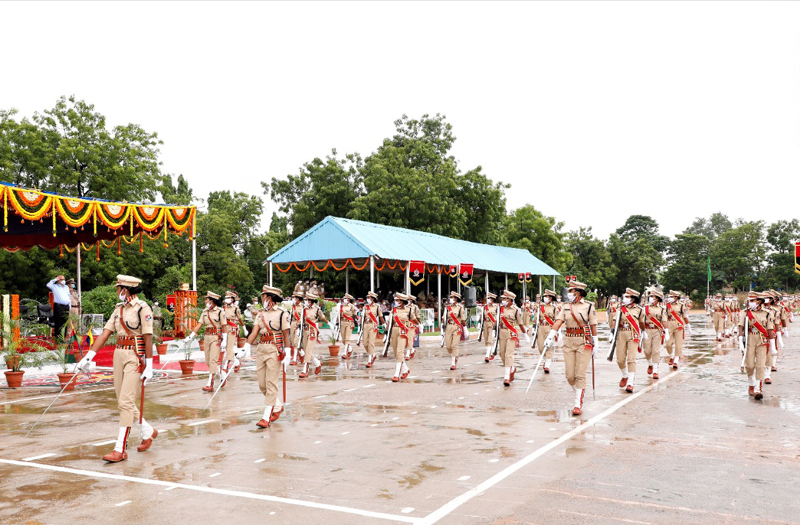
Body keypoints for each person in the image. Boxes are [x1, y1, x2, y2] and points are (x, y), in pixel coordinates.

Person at [75, 275, 155, 462]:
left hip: (135, 357)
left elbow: (148, 337)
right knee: (123, 401)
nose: (117, 292)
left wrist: (149, 365)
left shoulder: (143, 308)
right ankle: (148, 431)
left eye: (118, 289)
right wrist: (88, 357)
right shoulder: (118, 309)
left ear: (125, 290)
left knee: (125, 403)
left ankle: (120, 449)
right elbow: (105, 334)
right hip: (119, 355)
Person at [546, 281, 598, 416]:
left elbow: (593, 325)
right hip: (569, 340)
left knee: (580, 374)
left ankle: (577, 404)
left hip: (583, 341)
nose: (568, 293)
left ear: (578, 292)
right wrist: (551, 335)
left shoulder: (588, 306)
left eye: (570, 291)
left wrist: (596, 341)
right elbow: (558, 321)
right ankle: (579, 393)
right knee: (570, 376)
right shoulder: (565, 306)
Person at [245, 285, 290, 428]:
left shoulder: (282, 313)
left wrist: (288, 352)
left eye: (263, 296)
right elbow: (254, 332)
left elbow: (286, 335)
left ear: (269, 298)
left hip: (274, 350)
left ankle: (266, 417)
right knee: (262, 385)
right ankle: (277, 406)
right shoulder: (260, 314)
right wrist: (246, 346)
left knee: (271, 384)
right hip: (261, 349)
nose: (261, 299)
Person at [186, 292, 228, 392]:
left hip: (216, 337)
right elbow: (200, 324)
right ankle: (222, 374)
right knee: (208, 361)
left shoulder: (220, 312)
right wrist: (191, 336)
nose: (205, 301)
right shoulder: (205, 312)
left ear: (212, 301)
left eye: (207, 299)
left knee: (213, 360)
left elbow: (224, 326)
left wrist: (225, 340)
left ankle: (210, 384)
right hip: (207, 337)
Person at [738, 291, 775, 400]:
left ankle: (758, 389)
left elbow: (770, 329)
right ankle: (751, 383)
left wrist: (773, 346)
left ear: (759, 301)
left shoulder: (767, 313)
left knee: (760, 365)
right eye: (750, 300)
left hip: (762, 340)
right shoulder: (745, 313)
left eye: (753, 300)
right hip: (750, 339)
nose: (750, 302)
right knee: (749, 365)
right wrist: (740, 341)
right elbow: (741, 327)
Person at [612, 288, 645, 393]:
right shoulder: (620, 308)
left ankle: (630, 383)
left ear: (632, 299)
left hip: (633, 334)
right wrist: (612, 332)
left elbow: (641, 323)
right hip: (621, 334)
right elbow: (614, 321)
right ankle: (625, 375)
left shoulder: (639, 309)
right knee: (620, 359)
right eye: (625, 296)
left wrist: (644, 332)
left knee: (631, 359)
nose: (624, 298)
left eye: (627, 297)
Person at [298, 292, 329, 379]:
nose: (305, 301)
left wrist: (329, 323)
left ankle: (305, 370)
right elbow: (301, 320)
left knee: (308, 350)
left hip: (312, 331)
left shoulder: (316, 309)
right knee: (306, 350)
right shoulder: (304, 309)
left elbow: (322, 317)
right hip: (305, 331)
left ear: (311, 301)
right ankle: (317, 363)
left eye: (307, 300)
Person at [497, 290, 524, 386]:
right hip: (502, 332)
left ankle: (506, 377)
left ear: (509, 299)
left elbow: (520, 323)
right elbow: (497, 321)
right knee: (502, 354)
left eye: (504, 298)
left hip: (511, 332)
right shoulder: (500, 308)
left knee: (509, 354)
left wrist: (525, 334)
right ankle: (511, 368)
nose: (503, 300)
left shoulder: (516, 310)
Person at [389, 293, 417, 382]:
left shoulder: (409, 310)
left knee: (400, 352)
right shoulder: (393, 310)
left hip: (403, 331)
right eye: (395, 300)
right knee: (396, 353)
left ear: (402, 301)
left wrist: (419, 325)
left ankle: (396, 374)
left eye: (397, 300)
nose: (396, 302)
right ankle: (405, 370)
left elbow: (414, 319)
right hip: (394, 330)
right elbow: (390, 323)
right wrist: (386, 334)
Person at [641, 289, 669, 380]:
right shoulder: (645, 308)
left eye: (653, 297)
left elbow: (664, 320)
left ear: (657, 298)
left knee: (656, 351)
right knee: (647, 351)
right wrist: (641, 331)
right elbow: (641, 320)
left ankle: (655, 370)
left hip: (657, 330)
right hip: (647, 330)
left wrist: (666, 331)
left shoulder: (662, 309)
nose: (651, 298)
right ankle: (650, 364)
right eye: (650, 296)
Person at [665, 290, 691, 370]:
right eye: (670, 296)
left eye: (672, 297)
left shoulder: (681, 305)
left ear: (676, 297)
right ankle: (671, 356)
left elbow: (684, 316)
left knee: (678, 344)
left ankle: (676, 361)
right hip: (669, 324)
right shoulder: (667, 305)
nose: (670, 298)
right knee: (668, 344)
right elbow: (664, 316)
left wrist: (688, 326)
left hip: (678, 324)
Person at [536, 289, 559, 373]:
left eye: (547, 296)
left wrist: (557, 332)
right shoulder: (540, 307)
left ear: (551, 298)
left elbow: (557, 320)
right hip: (541, 327)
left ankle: (547, 365)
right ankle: (546, 359)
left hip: (550, 328)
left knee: (549, 346)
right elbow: (536, 318)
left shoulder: (554, 308)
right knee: (540, 347)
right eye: (545, 296)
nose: (545, 298)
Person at [443, 291, 467, 370]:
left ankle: (453, 362)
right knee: (448, 346)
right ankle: (454, 355)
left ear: (456, 299)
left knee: (454, 345)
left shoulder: (460, 307)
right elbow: (444, 318)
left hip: (457, 327)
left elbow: (463, 319)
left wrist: (465, 329)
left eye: (452, 297)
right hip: (448, 327)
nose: (450, 299)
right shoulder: (447, 307)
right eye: (450, 297)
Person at [223, 291, 244, 373]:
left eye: (228, 297)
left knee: (230, 347)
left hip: (232, 327)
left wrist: (243, 327)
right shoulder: (223, 308)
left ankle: (226, 365)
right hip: (225, 327)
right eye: (226, 297)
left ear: (232, 299)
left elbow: (239, 318)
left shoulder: (235, 308)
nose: (227, 299)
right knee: (226, 347)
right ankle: (236, 362)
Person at [361, 291, 384, 368]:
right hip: (365, 325)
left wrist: (384, 324)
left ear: (373, 298)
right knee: (365, 343)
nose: (367, 299)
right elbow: (362, 316)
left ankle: (369, 360)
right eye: (367, 297)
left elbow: (380, 316)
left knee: (371, 343)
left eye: (369, 297)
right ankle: (373, 354)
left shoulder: (377, 307)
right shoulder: (365, 306)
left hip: (373, 325)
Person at [47, 275, 71, 340]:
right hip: (58, 306)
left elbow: (68, 296)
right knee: (58, 321)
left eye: (64, 279)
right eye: (62, 279)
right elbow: (48, 285)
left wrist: (70, 306)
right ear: (58, 280)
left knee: (65, 321)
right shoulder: (54, 286)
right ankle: (58, 338)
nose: (63, 281)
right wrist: (55, 279)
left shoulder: (66, 287)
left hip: (66, 306)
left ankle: (63, 337)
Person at [339, 293, 358, 359]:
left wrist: (358, 320)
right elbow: (339, 315)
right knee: (343, 339)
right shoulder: (341, 306)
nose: (344, 300)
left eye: (346, 299)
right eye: (344, 298)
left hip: (349, 322)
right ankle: (350, 349)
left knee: (347, 338)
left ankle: (345, 353)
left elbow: (355, 314)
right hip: (342, 322)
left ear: (349, 300)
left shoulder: (352, 306)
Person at [482, 292, 499, 362]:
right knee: (486, 340)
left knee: (489, 339)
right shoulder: (484, 307)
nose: (488, 299)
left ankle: (487, 355)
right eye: (488, 298)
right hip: (485, 323)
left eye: (489, 298)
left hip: (492, 323)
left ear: (492, 299)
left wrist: (496, 324)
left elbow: (498, 316)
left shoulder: (496, 307)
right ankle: (492, 352)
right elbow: (482, 316)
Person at [288, 291, 304, 365]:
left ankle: (294, 359)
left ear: (299, 299)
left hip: (299, 324)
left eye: (296, 298)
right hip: (293, 323)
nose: (294, 299)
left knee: (296, 341)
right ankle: (302, 354)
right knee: (292, 340)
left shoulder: (303, 307)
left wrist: (300, 323)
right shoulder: (292, 306)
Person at [406, 294, 421, 360]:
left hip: (412, 324)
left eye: (409, 300)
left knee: (410, 338)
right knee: (405, 338)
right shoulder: (405, 307)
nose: (408, 301)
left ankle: (407, 353)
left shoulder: (415, 307)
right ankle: (412, 350)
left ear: (411, 300)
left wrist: (419, 324)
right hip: (405, 324)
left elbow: (417, 317)